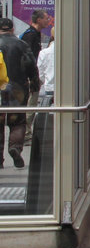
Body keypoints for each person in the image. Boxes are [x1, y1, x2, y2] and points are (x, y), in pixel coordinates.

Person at [0, 17, 38, 169]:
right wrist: (34, 82)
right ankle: (15, 147)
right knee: (18, 121)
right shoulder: (21, 44)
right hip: (18, 89)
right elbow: (31, 64)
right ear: (12, 29)